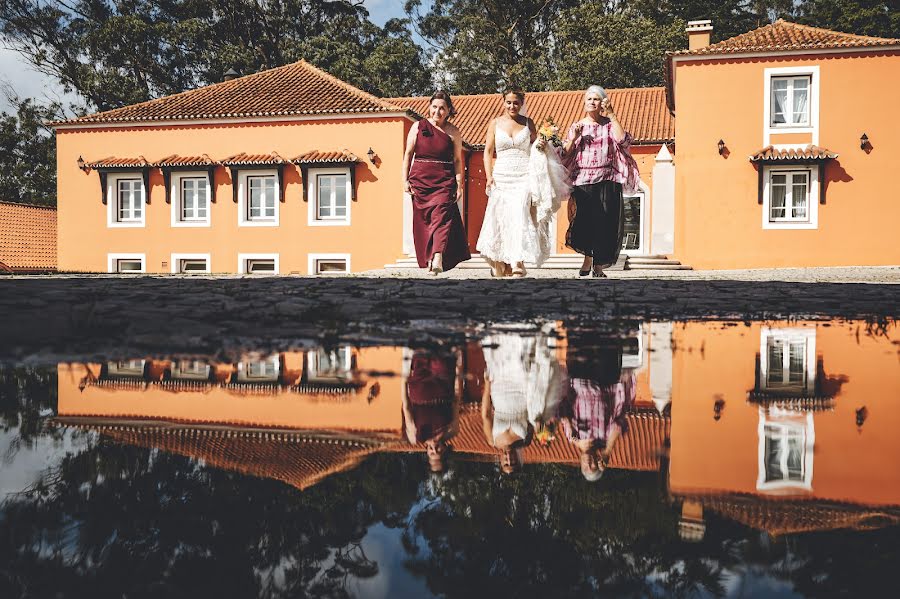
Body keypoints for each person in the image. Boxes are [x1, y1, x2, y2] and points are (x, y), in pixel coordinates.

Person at [562, 86, 640, 278]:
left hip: (607, 179)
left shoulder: (609, 125)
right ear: (584, 102)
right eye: (589, 99)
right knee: (584, 221)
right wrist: (575, 138)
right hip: (583, 180)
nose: (592, 102)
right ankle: (588, 257)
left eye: (596, 99)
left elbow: (623, 141)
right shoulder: (577, 126)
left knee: (605, 223)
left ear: (602, 103)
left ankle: (598, 266)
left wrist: (612, 115)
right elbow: (565, 152)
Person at [476, 89, 548, 278]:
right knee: (502, 219)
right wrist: (489, 176)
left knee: (520, 214)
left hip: (524, 175)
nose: (512, 106)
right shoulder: (495, 123)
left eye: (516, 103)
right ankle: (501, 263)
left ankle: (518, 262)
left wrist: (541, 144)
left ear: (522, 103)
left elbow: (536, 146)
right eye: (508, 102)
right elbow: (487, 151)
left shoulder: (528, 123)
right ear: (503, 103)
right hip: (501, 175)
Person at [402, 91, 471, 275]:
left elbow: (457, 160)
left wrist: (459, 183)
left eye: (442, 108)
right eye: (434, 107)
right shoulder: (417, 127)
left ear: (448, 110)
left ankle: (438, 256)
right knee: (425, 222)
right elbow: (408, 154)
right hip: (420, 181)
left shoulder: (453, 132)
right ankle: (430, 258)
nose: (437, 111)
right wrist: (404, 179)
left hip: (444, 180)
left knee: (442, 217)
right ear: (429, 107)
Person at [480, 324, 565, 473]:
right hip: (523, 385)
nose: (509, 460)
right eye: (512, 463)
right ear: (518, 460)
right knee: (520, 351)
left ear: (501, 462)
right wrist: (545, 428)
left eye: (506, 463)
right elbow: (538, 417)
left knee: (499, 350)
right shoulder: (526, 440)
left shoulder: (491, 440)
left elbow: (486, 414)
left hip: (499, 388)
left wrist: (487, 385)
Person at [559, 331, 636, 482]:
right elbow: (619, 423)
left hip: (579, 376)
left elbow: (562, 411)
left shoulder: (572, 437)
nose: (591, 463)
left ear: (580, 463)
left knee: (578, 333)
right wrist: (607, 451)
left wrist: (575, 438)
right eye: (595, 465)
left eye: (587, 467)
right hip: (605, 378)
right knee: (606, 335)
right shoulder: (606, 440)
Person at [401, 348, 463, 472]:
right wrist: (459, 373)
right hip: (442, 382)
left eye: (431, 453)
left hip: (418, 383)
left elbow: (406, 407)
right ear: (445, 451)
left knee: (420, 348)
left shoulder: (414, 436)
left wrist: (404, 378)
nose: (434, 449)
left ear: (427, 454)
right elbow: (456, 400)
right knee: (440, 353)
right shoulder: (452, 430)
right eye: (438, 452)